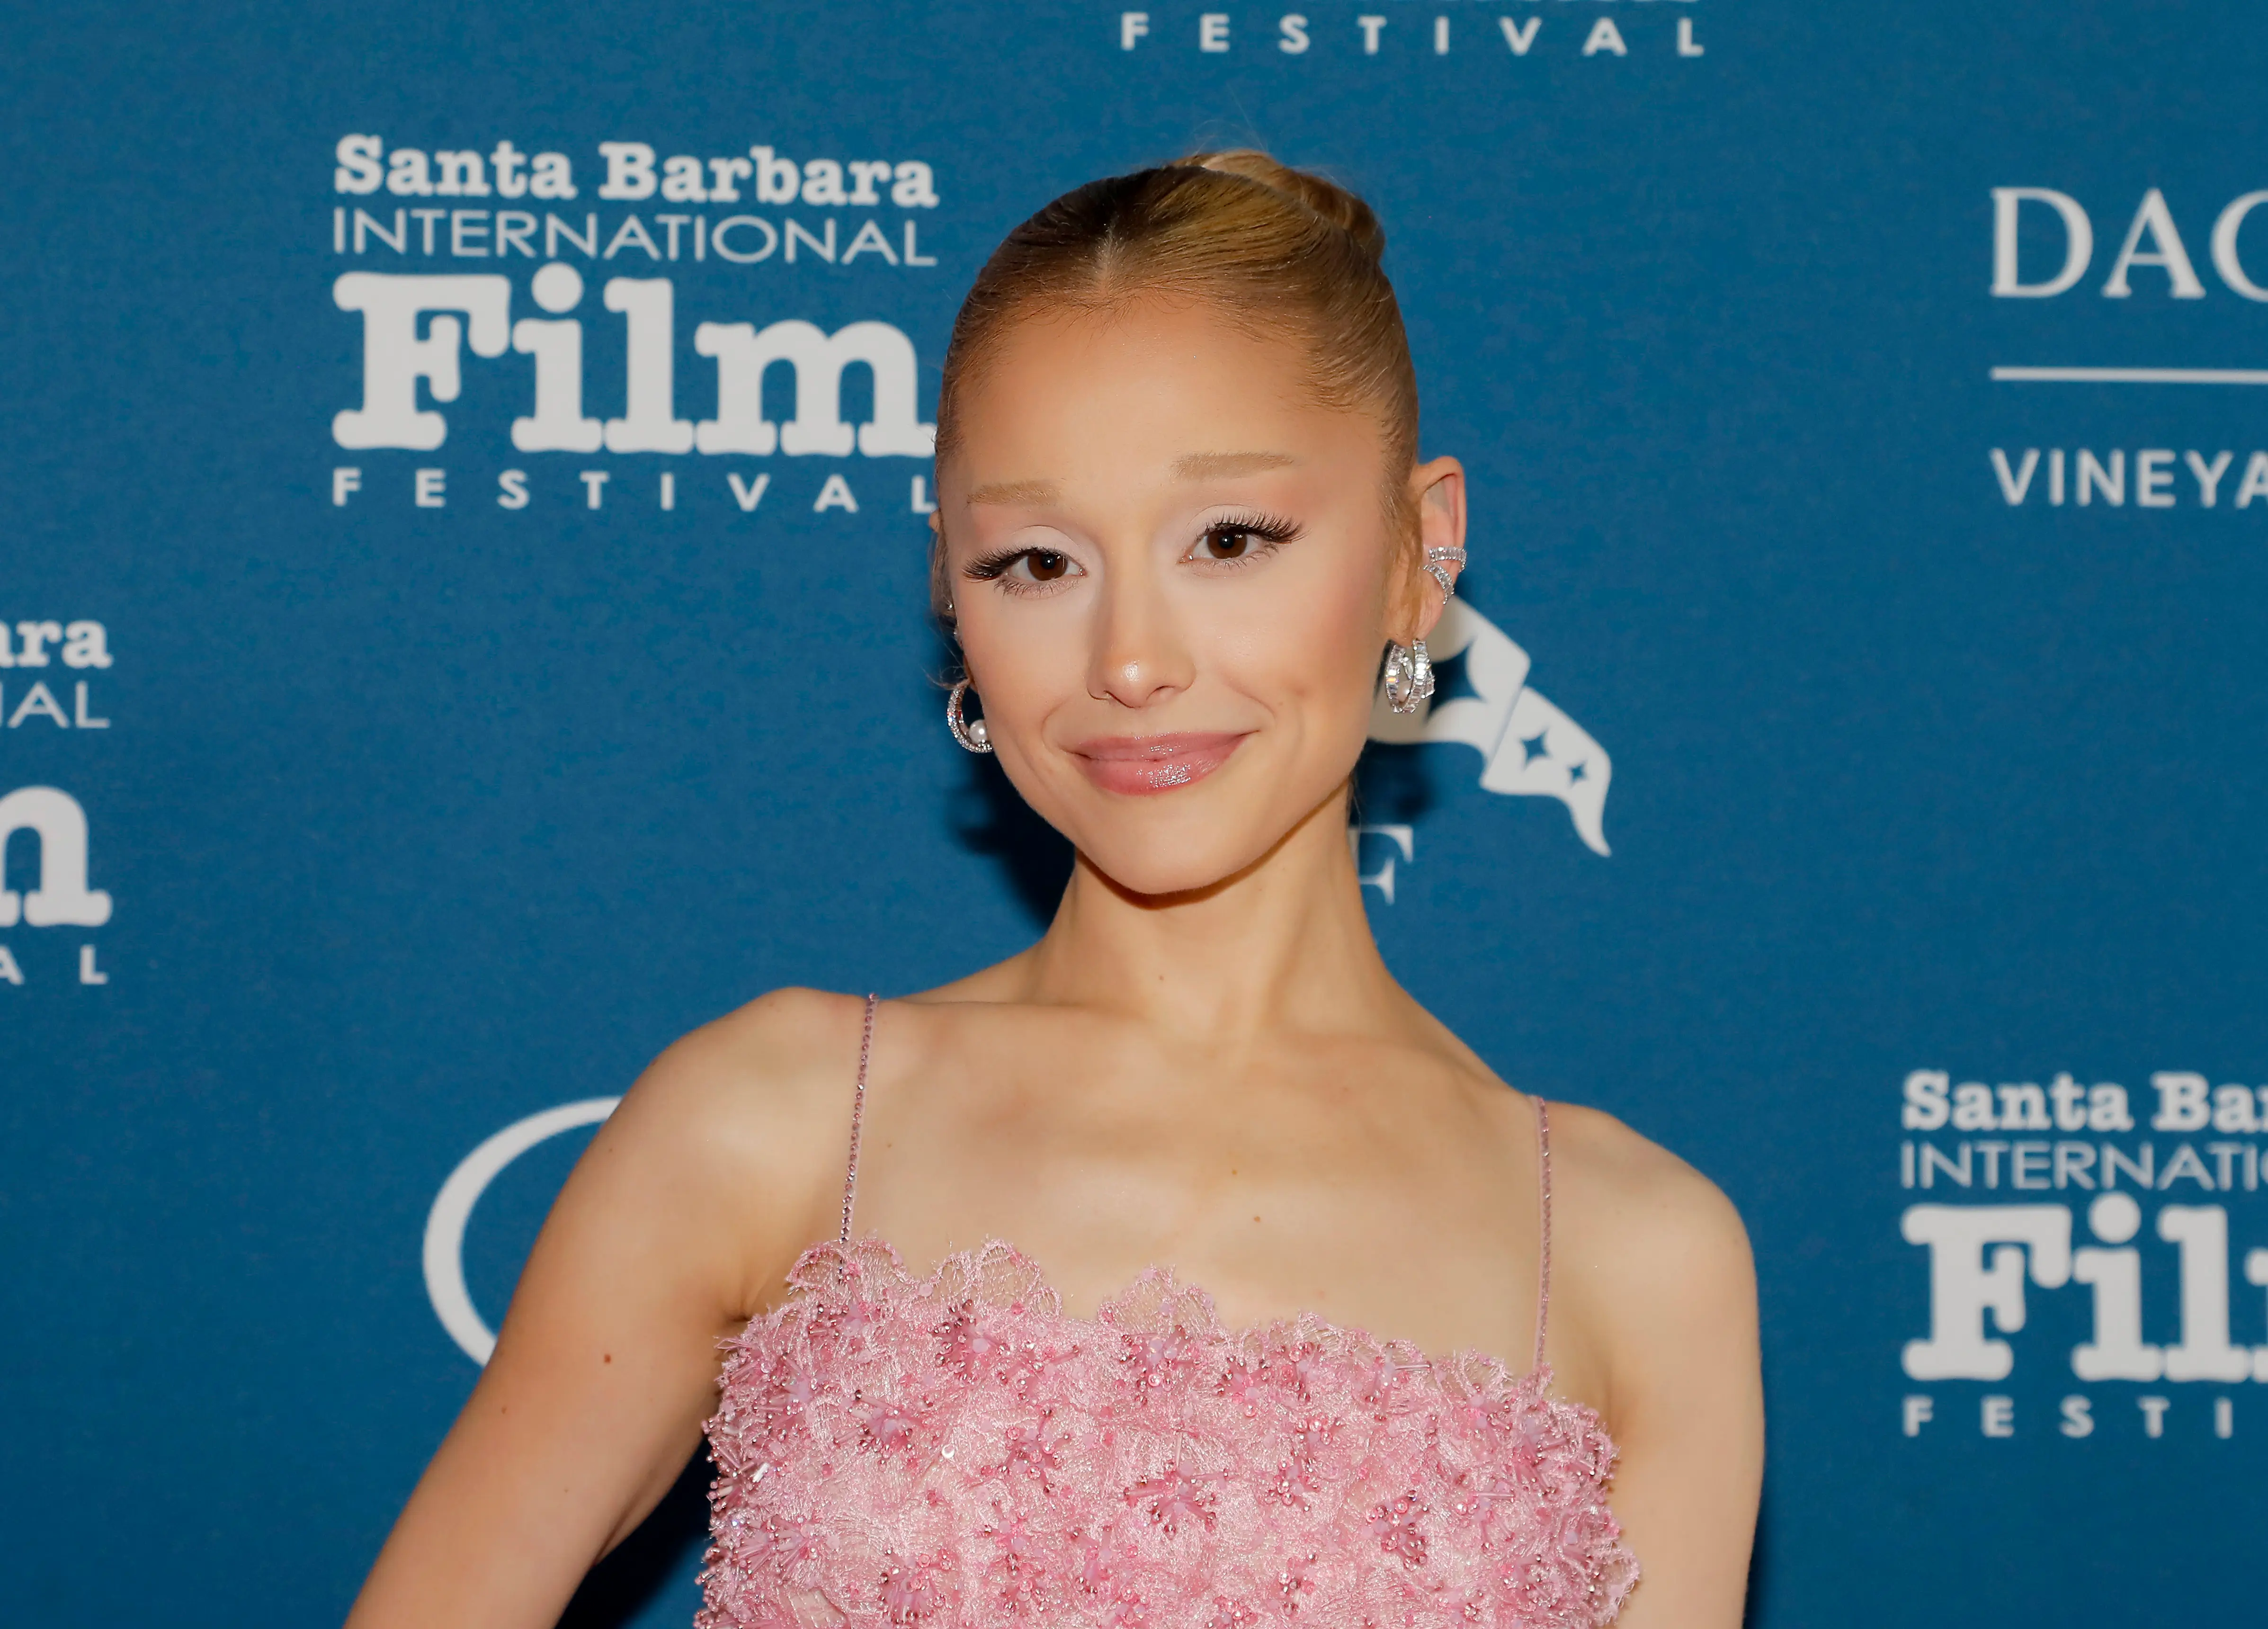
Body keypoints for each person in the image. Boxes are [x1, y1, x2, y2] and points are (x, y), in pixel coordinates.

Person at [346, 151, 1762, 1629]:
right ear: (949, 591)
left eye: (1228, 540)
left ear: (1421, 553)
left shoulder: (1631, 1252)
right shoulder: (770, 1123)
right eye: (1034, 562)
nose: (1129, 660)